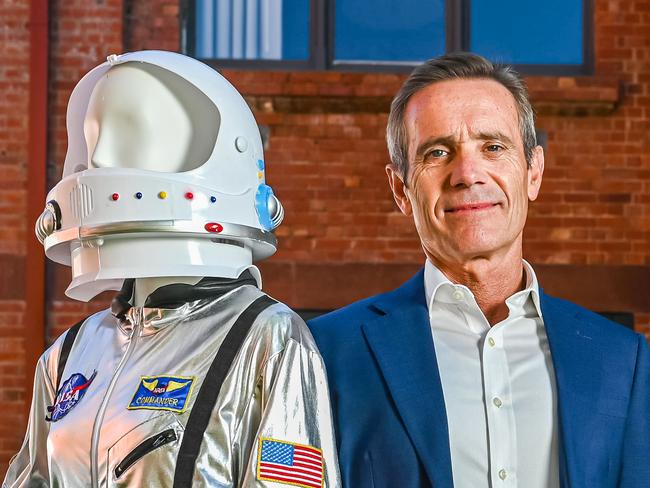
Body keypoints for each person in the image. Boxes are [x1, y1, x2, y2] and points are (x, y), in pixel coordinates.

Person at [308, 52, 650, 488]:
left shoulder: (622, 360)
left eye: (493, 146)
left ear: (533, 172)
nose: (468, 174)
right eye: (437, 152)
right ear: (401, 189)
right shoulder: (326, 352)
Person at [4, 50, 340, 488]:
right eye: (94, 138)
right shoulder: (68, 355)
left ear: (211, 154)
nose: (100, 158)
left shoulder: (267, 339)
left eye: (129, 130)